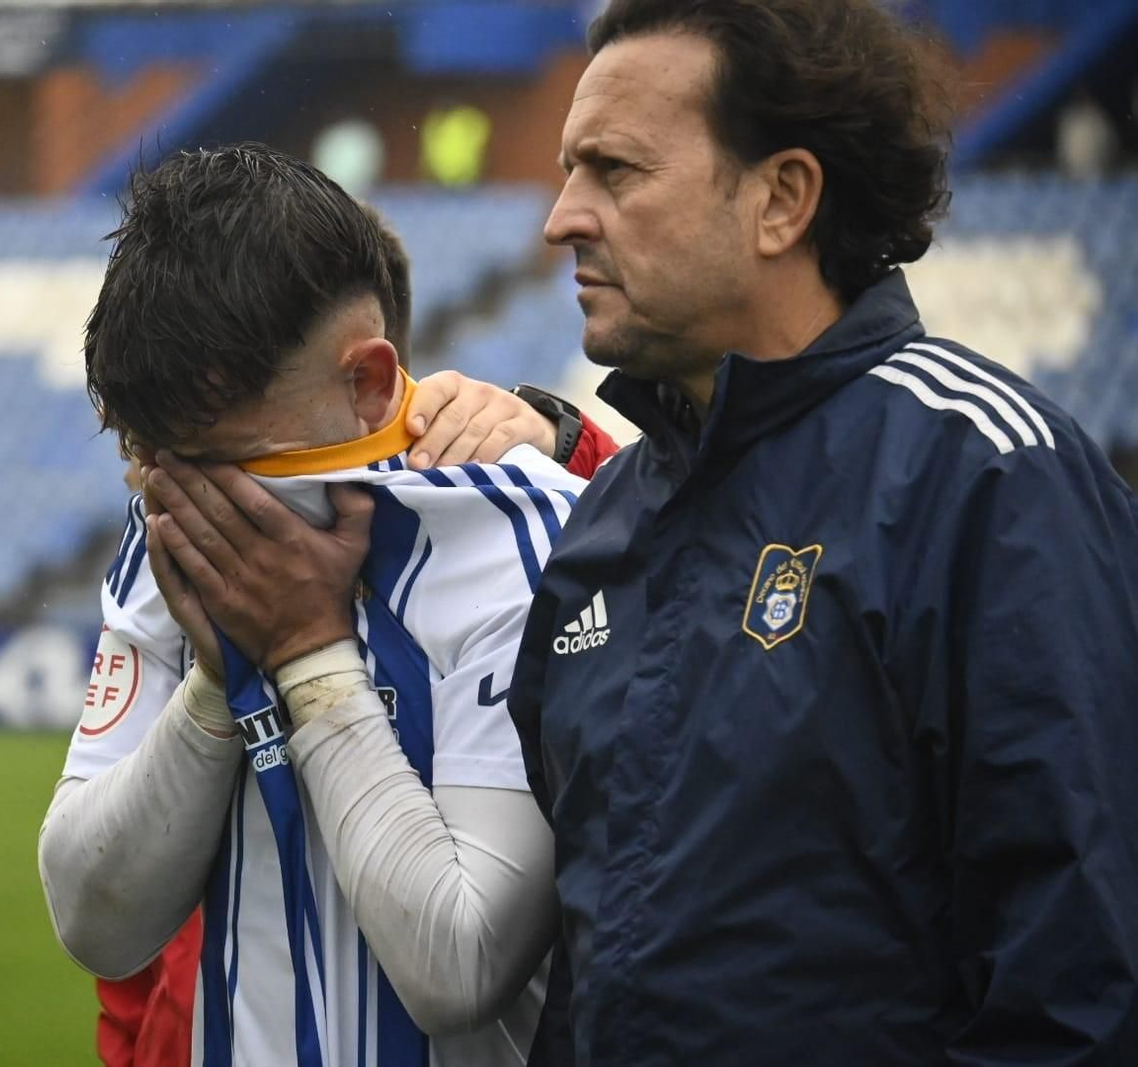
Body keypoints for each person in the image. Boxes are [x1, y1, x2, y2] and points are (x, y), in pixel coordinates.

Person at [146, 0, 1138, 1062]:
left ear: (781, 199)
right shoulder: (606, 527)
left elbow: (1079, 981)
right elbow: (596, 966)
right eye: (571, 171)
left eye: (614, 171)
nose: (561, 217)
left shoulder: (986, 474)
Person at [38, 143, 592, 1066]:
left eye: (232, 460)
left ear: (369, 383)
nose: (193, 501)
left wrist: (303, 650)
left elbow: (461, 962)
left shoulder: (523, 540)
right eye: (164, 464)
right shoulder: (178, 515)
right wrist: (217, 683)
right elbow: (93, 917)